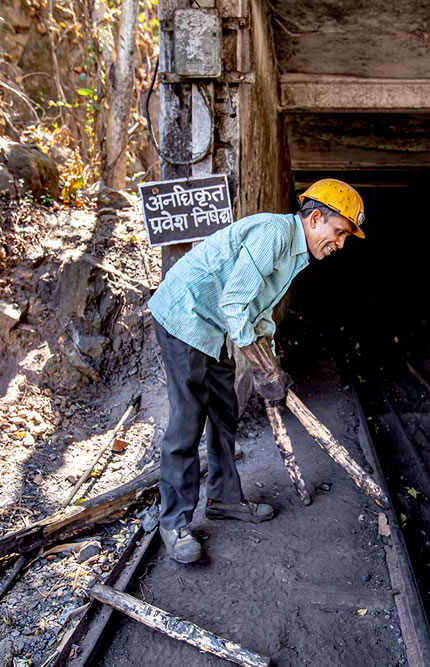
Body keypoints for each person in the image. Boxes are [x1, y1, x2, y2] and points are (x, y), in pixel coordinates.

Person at [147, 178, 366, 563]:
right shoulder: (274, 234)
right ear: (315, 218)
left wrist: (272, 363)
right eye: (339, 233)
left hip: (214, 325)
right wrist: (263, 370)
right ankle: (174, 522)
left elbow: (258, 311)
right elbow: (235, 304)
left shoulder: (297, 253)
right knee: (188, 419)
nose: (340, 245)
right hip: (185, 316)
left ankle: (225, 500)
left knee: (224, 411)